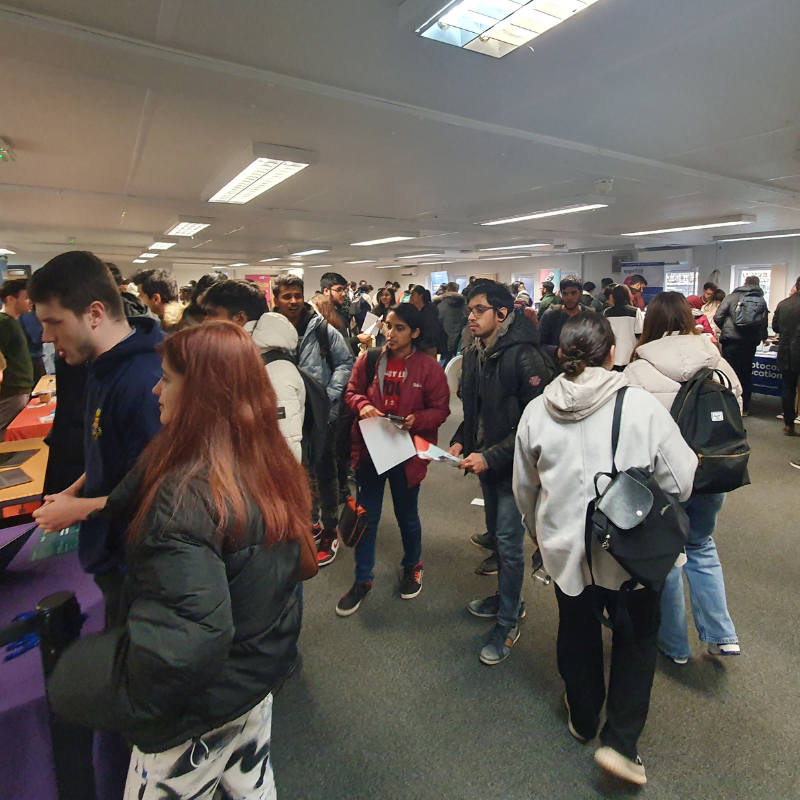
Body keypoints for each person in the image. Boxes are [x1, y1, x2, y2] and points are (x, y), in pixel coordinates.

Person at [47, 322, 311, 799]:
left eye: (167, 378)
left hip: (196, 713)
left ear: (204, 393)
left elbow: (185, 642)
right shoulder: (265, 458)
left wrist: (86, 682)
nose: (154, 388)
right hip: (254, 680)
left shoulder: (185, 496)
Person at [513, 313, 697, 786]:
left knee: (575, 628)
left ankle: (583, 715)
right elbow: (682, 478)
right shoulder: (639, 407)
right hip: (630, 550)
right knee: (636, 641)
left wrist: (539, 530)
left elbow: (524, 488)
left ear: (561, 354)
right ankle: (620, 743)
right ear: (612, 353)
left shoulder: (536, 410)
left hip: (564, 546)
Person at [29, 251, 163, 625]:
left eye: (54, 322)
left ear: (94, 313)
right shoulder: (100, 366)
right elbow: (108, 447)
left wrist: (77, 510)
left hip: (136, 558)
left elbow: (158, 493)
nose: (46, 336)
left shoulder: (145, 383)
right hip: (109, 544)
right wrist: (76, 489)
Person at [624, 291, 741, 664]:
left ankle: (674, 646)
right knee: (702, 546)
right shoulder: (717, 361)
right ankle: (721, 635)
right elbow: (736, 407)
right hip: (712, 470)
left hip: (664, 478)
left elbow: (628, 430)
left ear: (650, 324)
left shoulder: (637, 369)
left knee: (668, 556)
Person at [450, 281, 553, 664]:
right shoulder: (476, 350)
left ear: (502, 313)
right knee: (497, 538)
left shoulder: (524, 356)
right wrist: (462, 437)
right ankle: (506, 599)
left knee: (509, 545)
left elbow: (538, 423)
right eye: (469, 311)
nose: (471, 317)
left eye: (479, 310)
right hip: (488, 464)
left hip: (513, 468)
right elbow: (474, 406)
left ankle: (509, 620)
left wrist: (491, 456)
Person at [337, 303, 450, 616]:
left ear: (414, 333)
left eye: (399, 328)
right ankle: (363, 579)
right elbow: (351, 391)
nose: (391, 333)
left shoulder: (429, 368)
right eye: (388, 326)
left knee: (407, 515)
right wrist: (362, 406)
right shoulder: (371, 358)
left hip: (407, 452)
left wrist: (418, 419)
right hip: (371, 448)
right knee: (366, 516)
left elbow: (441, 411)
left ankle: (412, 565)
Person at [273, 272, 354, 565]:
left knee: (325, 472)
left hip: (321, 416)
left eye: (297, 295)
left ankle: (330, 529)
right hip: (285, 416)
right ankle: (309, 523)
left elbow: (346, 361)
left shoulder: (320, 328)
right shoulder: (267, 332)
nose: (293, 301)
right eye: (286, 296)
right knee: (296, 472)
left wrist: (328, 396)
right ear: (276, 299)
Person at [202, 279, 306, 460]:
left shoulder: (275, 373)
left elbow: (286, 450)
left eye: (212, 314)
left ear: (239, 319)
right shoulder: (240, 361)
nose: (205, 322)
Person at [714, 275, 769, 415]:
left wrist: (727, 329)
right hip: (749, 343)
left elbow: (717, 317)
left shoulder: (732, 297)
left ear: (744, 283)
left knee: (729, 372)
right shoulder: (761, 300)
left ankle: (728, 406)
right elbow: (763, 324)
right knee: (746, 373)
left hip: (731, 342)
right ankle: (745, 407)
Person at [0, 278, 34, 438]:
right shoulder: (4, 323)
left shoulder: (12, 322)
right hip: (11, 391)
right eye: (26, 297)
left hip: (17, 391)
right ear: (10, 299)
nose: (30, 302)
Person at [772, 276, 800, 436]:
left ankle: (789, 424)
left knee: (788, 389)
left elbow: (775, 326)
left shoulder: (783, 304)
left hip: (786, 352)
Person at [538, 275, 592, 350]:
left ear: (580, 294)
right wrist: (557, 352)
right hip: (556, 360)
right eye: (565, 294)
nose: (569, 298)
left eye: (573, 293)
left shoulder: (589, 316)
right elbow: (539, 344)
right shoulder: (551, 315)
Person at [603, 283, 643, 368]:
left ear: (613, 297)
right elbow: (639, 333)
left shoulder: (607, 312)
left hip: (612, 356)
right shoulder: (635, 311)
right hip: (629, 355)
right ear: (628, 296)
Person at [140, 268, 185, 333]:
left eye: (141, 295)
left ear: (156, 299)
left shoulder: (161, 331)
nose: (138, 298)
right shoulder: (185, 322)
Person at [434, 282, 467, 366]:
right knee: (458, 365)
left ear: (447, 290)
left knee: (443, 363)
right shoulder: (463, 305)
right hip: (460, 339)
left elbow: (437, 323)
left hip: (445, 339)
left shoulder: (440, 305)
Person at [409, 285, 445, 359]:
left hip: (427, 346)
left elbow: (431, 330)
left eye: (413, 294)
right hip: (419, 346)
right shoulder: (415, 310)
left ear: (420, 296)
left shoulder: (429, 310)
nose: (410, 297)